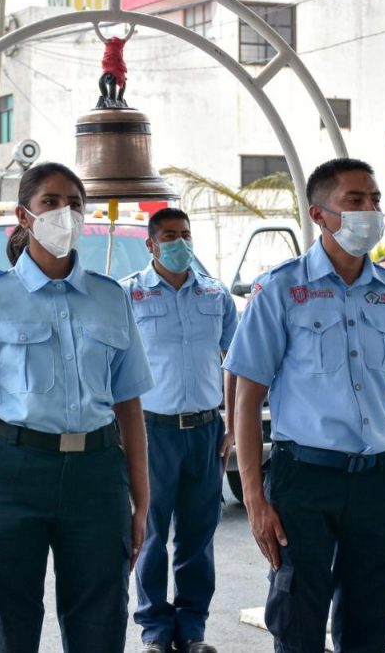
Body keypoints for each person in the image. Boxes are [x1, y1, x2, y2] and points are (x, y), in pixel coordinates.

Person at [0, 162, 153, 652]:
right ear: (24, 216)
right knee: (8, 627)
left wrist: (142, 501)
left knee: (100, 626)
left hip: (97, 477)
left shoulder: (109, 297)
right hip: (12, 473)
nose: (65, 214)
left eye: (75, 203)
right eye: (50, 203)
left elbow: (130, 408)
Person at [224, 158, 385, 652]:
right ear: (319, 215)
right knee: (298, 616)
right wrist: (254, 498)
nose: (370, 211)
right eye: (355, 201)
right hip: (304, 480)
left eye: (375, 200)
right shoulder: (282, 289)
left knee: (371, 616)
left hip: (377, 482)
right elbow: (247, 397)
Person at [122, 208, 238, 653]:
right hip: (153, 432)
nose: (179, 242)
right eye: (169, 235)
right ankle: (154, 630)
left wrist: (229, 422)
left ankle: (192, 629)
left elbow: (235, 361)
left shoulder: (215, 294)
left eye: (185, 234)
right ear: (150, 245)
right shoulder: (128, 296)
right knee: (150, 532)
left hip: (206, 431)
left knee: (198, 534)